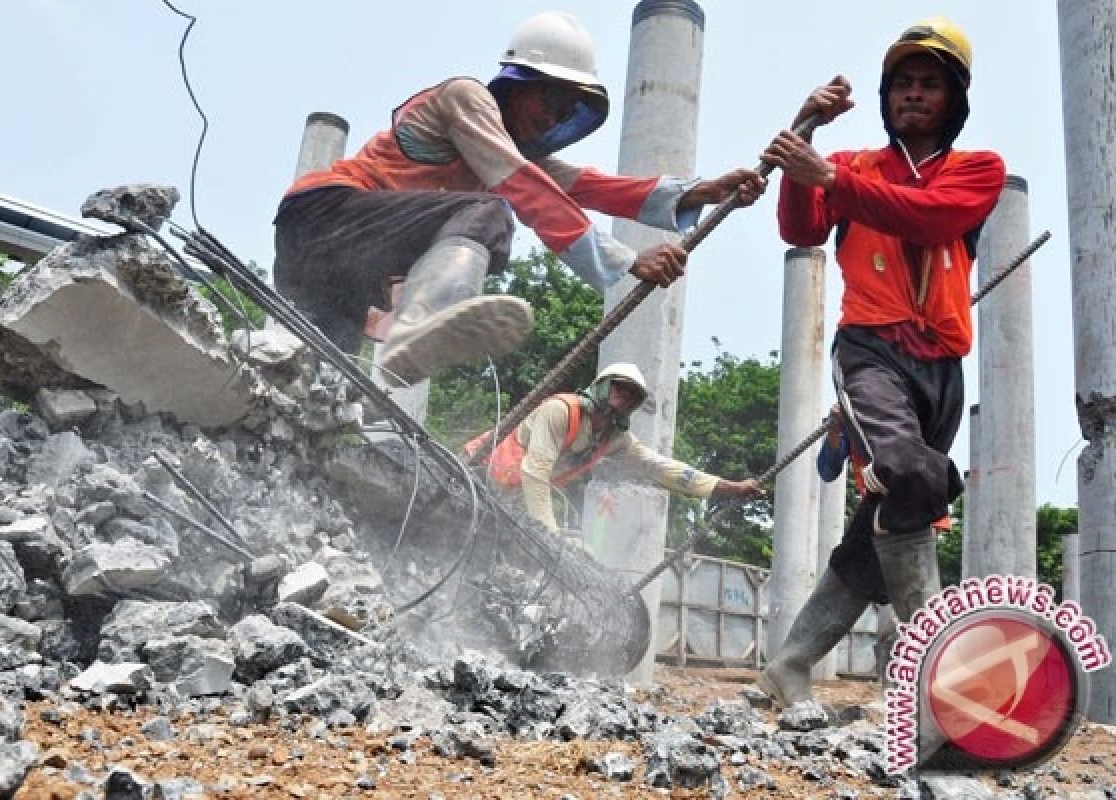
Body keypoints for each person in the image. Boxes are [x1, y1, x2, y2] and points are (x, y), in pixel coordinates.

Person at [272, 11, 764, 386]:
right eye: (553, 101)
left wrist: (697, 192)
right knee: (488, 213)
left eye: (567, 112)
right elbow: (526, 188)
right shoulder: (465, 100)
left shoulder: (505, 154)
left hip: (343, 274)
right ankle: (417, 325)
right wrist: (628, 260)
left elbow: (587, 185)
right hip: (321, 217)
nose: (554, 120)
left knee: (317, 380)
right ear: (521, 84)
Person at [756, 16, 1005, 708]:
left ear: (954, 98)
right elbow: (800, 227)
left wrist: (828, 173)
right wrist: (805, 131)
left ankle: (790, 666)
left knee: (885, 523)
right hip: (871, 351)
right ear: (885, 94)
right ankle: (937, 664)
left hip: (942, 371)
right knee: (907, 473)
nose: (913, 94)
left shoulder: (975, 170)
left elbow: (928, 218)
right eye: (901, 83)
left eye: (929, 83)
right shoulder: (857, 166)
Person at [462, 362, 760, 534]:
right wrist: (548, 532)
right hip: (474, 474)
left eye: (631, 395)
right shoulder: (561, 410)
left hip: (506, 496)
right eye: (619, 387)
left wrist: (728, 488)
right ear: (603, 385)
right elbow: (535, 471)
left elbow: (659, 467)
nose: (624, 396)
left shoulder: (612, 438)